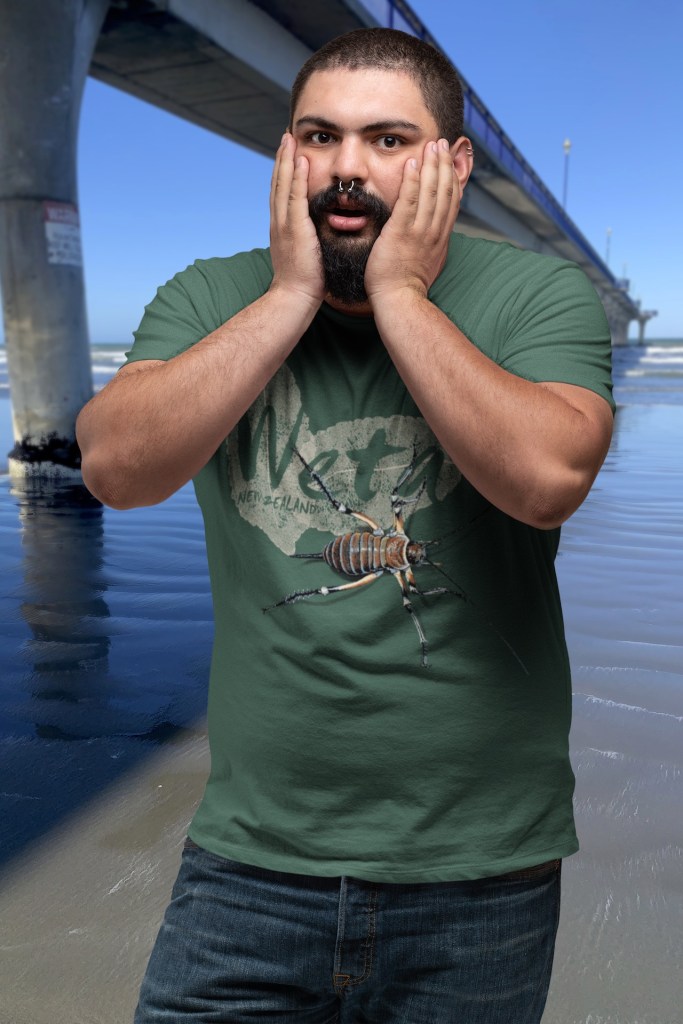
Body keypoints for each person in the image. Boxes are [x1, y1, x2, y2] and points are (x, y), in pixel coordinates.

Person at [76, 27, 614, 1024]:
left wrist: (398, 291)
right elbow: (116, 468)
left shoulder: (537, 292)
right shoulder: (208, 294)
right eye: (319, 137)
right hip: (248, 857)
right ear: (287, 154)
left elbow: (545, 479)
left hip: (476, 868)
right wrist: (290, 294)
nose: (348, 169)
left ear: (451, 165)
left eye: (387, 139)